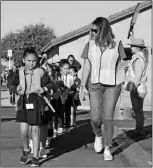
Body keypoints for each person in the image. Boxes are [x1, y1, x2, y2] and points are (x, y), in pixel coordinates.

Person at [80, 17, 127, 160]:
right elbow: (87, 65)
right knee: (95, 118)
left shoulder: (116, 44)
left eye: (94, 30)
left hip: (113, 85)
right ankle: (98, 135)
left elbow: (122, 63)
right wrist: (82, 85)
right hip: (94, 84)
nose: (92, 32)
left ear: (103, 30)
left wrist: (122, 80)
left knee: (108, 117)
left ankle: (107, 148)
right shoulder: (89, 45)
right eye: (91, 30)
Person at [12, 47, 53, 167]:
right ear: (23, 60)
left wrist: (45, 88)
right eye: (29, 60)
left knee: (35, 130)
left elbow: (50, 84)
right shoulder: (18, 73)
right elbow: (12, 84)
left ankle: (35, 156)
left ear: (37, 61)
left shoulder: (41, 72)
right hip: (23, 101)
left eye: (34, 61)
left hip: (36, 101)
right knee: (24, 132)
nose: (31, 63)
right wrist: (16, 88)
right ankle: (26, 149)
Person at [124, 39, 149, 135]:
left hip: (137, 88)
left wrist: (134, 87)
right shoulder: (138, 57)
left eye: (132, 46)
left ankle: (139, 130)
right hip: (138, 87)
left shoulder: (138, 59)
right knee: (138, 110)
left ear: (137, 48)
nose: (131, 48)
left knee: (138, 110)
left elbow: (137, 76)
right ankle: (139, 128)